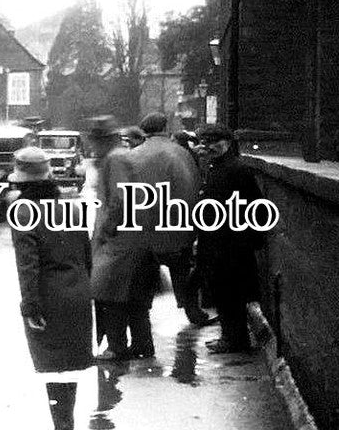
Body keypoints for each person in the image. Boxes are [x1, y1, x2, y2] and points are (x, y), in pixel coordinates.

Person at [9, 147, 94, 430]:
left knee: (52, 364)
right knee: (68, 365)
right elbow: (86, 254)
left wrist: (30, 305)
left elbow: (27, 264)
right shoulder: (70, 207)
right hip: (78, 291)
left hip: (49, 295)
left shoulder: (22, 211)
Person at [130, 112, 214, 326]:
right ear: (165, 127)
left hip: (144, 230)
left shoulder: (133, 155)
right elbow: (192, 187)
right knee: (182, 273)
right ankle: (192, 310)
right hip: (177, 225)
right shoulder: (182, 154)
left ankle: (142, 329)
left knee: (144, 281)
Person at [87, 116, 159, 361]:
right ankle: (142, 345)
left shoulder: (115, 159)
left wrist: (106, 230)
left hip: (121, 239)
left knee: (110, 294)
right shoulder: (119, 157)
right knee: (134, 297)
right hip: (133, 236)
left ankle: (117, 347)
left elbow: (120, 198)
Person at [195, 123, 265, 353]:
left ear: (226, 143)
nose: (208, 147)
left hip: (230, 244)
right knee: (224, 293)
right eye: (205, 143)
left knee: (230, 294)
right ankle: (231, 336)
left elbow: (255, 207)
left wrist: (250, 239)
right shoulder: (218, 167)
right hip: (220, 242)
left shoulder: (236, 170)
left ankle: (234, 340)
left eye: (213, 143)